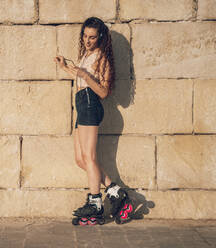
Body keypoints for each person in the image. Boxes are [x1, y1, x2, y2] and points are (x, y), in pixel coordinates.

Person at [54, 17, 132, 225]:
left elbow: (104, 92)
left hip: (90, 103)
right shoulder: (86, 55)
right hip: (81, 104)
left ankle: (96, 202)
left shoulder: (101, 58)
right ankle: (115, 191)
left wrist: (86, 75)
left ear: (100, 38)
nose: (87, 40)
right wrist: (65, 67)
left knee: (89, 156)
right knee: (81, 159)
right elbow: (80, 75)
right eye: (85, 36)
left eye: (92, 37)